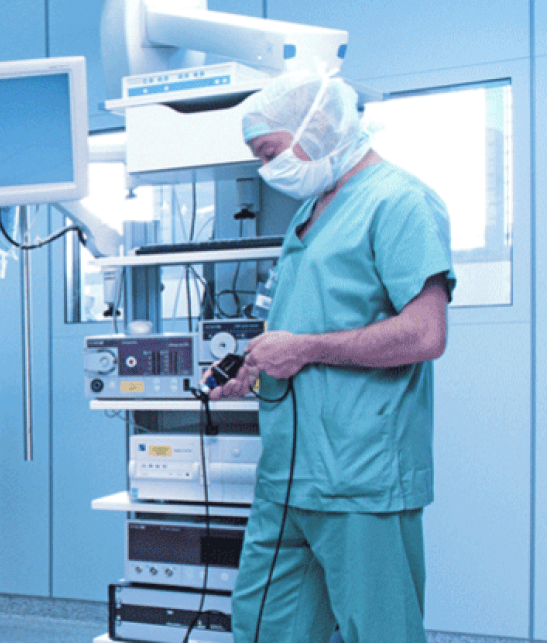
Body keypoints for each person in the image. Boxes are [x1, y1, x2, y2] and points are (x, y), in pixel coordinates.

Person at [211, 70, 453, 643]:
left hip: (360, 471)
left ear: (317, 129)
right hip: (290, 470)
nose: (267, 171)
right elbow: (308, 321)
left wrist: (305, 349)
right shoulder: (311, 211)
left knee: (379, 629)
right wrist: (257, 364)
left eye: (269, 153)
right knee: (265, 625)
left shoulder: (399, 201)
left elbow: (424, 335)